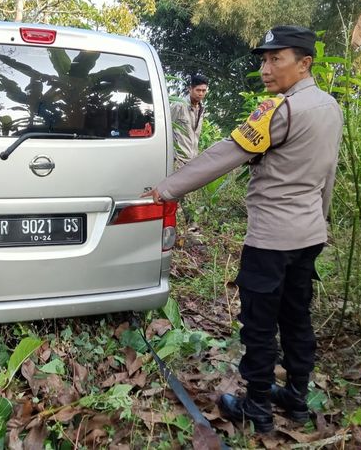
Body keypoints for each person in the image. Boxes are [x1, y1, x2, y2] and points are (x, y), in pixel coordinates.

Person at [142, 26, 343, 433]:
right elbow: (328, 176)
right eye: (264, 60)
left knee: (260, 323)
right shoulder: (331, 107)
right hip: (308, 236)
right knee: (297, 317)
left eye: (276, 59)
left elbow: (225, 154)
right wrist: (319, 221)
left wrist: (166, 189)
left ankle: (257, 407)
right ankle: (298, 399)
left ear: (304, 63)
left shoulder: (280, 110)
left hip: (271, 239)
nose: (266, 69)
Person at [171, 74, 209, 166]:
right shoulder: (179, 106)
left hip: (192, 161)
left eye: (204, 91)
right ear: (190, 89)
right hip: (178, 160)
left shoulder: (201, 109)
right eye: (198, 90)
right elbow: (166, 129)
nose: (201, 94)